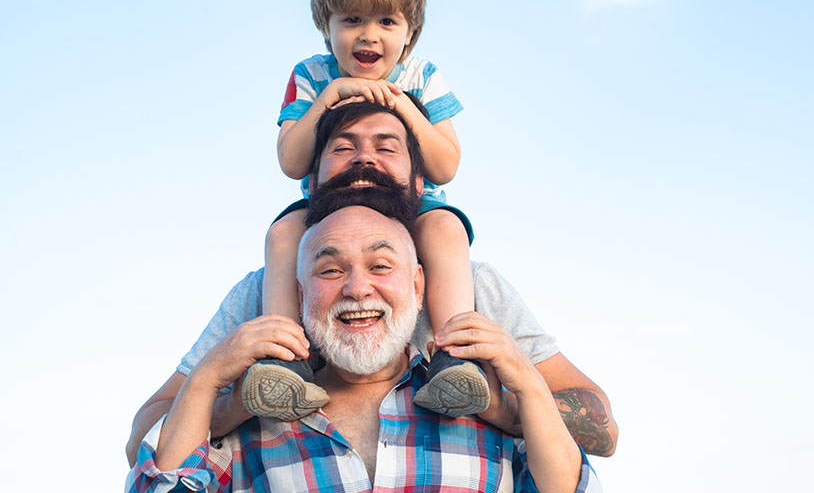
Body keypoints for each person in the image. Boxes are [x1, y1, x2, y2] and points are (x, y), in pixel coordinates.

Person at [126, 102, 618, 466]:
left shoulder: (473, 286)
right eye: (343, 148)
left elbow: (603, 431)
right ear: (312, 183)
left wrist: (499, 403)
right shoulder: (260, 295)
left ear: (420, 184)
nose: (364, 160)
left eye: (387, 147)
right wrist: (233, 399)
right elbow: (142, 444)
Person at [125, 205, 602, 492]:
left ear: (419, 285)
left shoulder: (482, 405)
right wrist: (209, 375)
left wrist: (528, 384)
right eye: (330, 271)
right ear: (299, 294)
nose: (357, 288)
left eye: (380, 266)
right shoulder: (251, 427)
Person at [253, 0, 484, 420]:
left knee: (446, 229)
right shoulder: (311, 75)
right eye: (352, 19)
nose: (368, 35)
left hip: (408, 204)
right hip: (331, 207)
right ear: (327, 26)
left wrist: (403, 106)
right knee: (282, 234)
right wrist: (329, 97)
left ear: (410, 32)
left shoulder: (421, 76)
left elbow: (445, 165)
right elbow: (292, 161)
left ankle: (455, 359)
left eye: (386, 21)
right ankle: (283, 361)